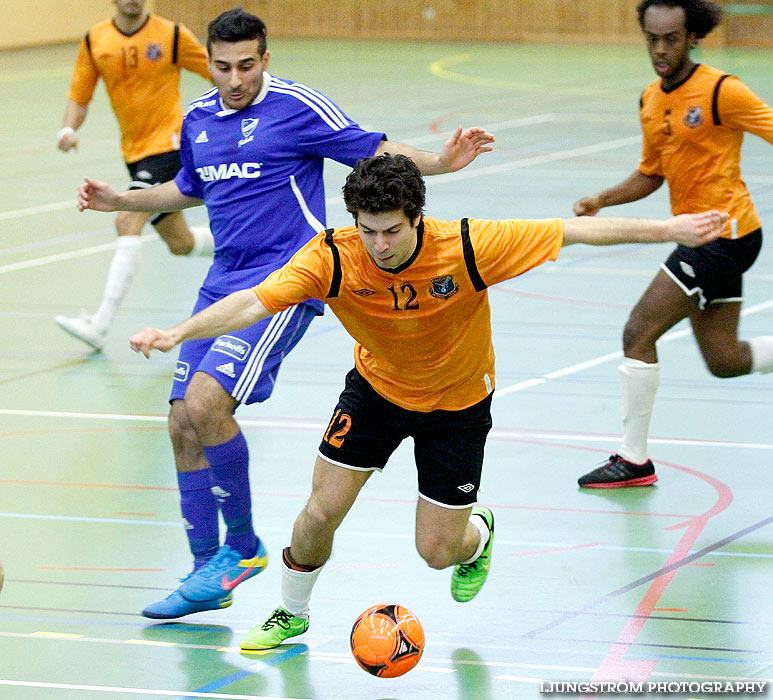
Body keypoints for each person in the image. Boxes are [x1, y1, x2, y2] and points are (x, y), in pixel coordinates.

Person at [129, 153, 728, 648]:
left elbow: (574, 231)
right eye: (368, 230)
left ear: (417, 218)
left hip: (458, 406)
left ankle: (477, 536)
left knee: (437, 553)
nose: (380, 244)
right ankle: (292, 612)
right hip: (376, 392)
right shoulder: (333, 255)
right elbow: (253, 302)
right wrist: (180, 332)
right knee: (318, 513)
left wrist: (671, 230)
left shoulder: (466, 246)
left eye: (392, 230)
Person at [76, 9, 495, 620]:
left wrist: (439, 161)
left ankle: (242, 549)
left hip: (285, 280)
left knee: (205, 403)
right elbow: (191, 188)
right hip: (221, 282)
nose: (235, 78)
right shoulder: (198, 118)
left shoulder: (298, 108)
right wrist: (124, 199)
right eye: (222, 67)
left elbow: (372, 150)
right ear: (211, 63)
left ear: (265, 59)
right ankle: (204, 567)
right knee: (179, 423)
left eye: (247, 65)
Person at [573, 0, 773, 489]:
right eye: (653, 39)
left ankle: (634, 461)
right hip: (710, 237)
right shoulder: (650, 98)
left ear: (692, 38)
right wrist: (604, 198)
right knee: (724, 360)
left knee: (638, 333)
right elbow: (651, 173)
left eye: (671, 39)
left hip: (721, 237)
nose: (661, 50)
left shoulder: (723, 91)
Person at [56, 0, 213, 351]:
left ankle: (99, 325)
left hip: (169, 146)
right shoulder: (95, 40)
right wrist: (68, 129)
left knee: (126, 219)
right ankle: (251, 250)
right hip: (134, 152)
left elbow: (216, 71)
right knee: (180, 243)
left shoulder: (170, 35)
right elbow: (80, 95)